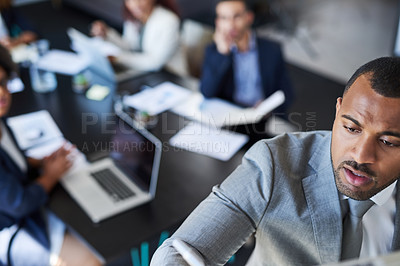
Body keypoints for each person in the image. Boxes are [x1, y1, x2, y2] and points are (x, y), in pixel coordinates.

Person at [151, 56, 400, 265]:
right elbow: (179, 250)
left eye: (388, 142)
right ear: (337, 111)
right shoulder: (276, 162)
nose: (360, 156)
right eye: (351, 128)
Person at [0, 44, 101, 265]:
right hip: (10, 228)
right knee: (90, 260)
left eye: (3, 82)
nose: (2, 92)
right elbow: (19, 204)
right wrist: (51, 175)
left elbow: (8, 162)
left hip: (26, 207)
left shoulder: (2, 121)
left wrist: (39, 161)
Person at [200, 0, 294, 115]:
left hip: (264, 116)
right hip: (231, 115)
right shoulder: (214, 51)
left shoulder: (271, 49)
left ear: (249, 17)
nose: (231, 25)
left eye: (237, 16)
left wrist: (270, 109)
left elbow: (287, 94)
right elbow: (207, 92)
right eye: (224, 18)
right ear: (217, 22)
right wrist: (222, 54)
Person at [90, 0, 186, 75]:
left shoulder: (169, 21)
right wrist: (107, 34)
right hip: (145, 72)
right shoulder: (134, 16)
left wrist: (117, 58)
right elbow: (129, 45)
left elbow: (154, 62)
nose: (135, 4)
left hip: (170, 75)